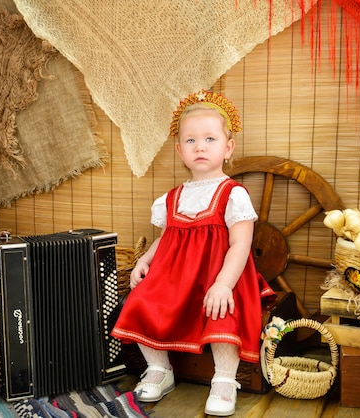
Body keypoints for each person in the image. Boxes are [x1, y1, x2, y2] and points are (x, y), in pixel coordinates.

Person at [111, 89, 276, 416]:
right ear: (179, 151)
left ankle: (225, 379)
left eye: (210, 139)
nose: (200, 146)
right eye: (190, 141)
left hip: (219, 275)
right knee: (141, 301)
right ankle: (160, 369)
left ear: (228, 148)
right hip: (175, 277)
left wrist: (224, 284)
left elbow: (241, 244)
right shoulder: (172, 198)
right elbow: (168, 238)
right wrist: (145, 260)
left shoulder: (233, 194)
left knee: (222, 311)